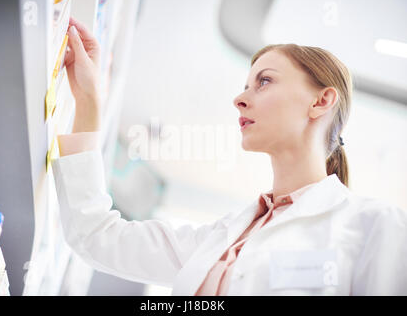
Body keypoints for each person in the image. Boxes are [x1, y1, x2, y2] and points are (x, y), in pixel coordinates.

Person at [52, 17, 407, 295]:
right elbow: (96, 236)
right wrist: (89, 98)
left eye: (264, 81)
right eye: (245, 86)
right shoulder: (220, 240)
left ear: (320, 101)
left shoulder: (373, 226)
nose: (240, 99)